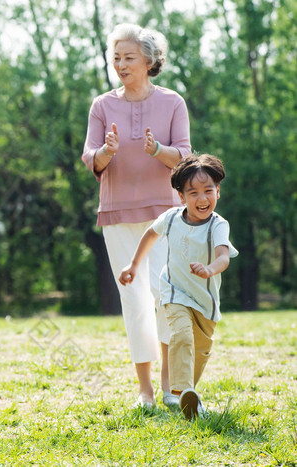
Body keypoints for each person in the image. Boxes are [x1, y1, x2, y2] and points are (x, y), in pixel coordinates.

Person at [81, 24, 192, 408]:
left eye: (129, 58)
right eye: (116, 58)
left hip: (165, 214)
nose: (121, 65)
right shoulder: (102, 105)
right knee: (134, 299)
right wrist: (107, 152)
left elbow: (185, 155)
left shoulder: (173, 102)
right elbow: (89, 157)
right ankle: (144, 388)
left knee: (165, 294)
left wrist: (157, 148)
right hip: (116, 213)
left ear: (149, 60)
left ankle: (168, 385)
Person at [119, 154, 237, 420]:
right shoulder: (171, 218)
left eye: (208, 191)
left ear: (218, 191)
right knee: (181, 335)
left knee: (199, 352)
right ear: (181, 197)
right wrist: (134, 265)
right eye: (193, 192)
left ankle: (187, 395)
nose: (202, 198)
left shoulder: (218, 225)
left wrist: (210, 269)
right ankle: (183, 391)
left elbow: (223, 256)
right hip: (174, 291)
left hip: (205, 301)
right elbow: (150, 233)